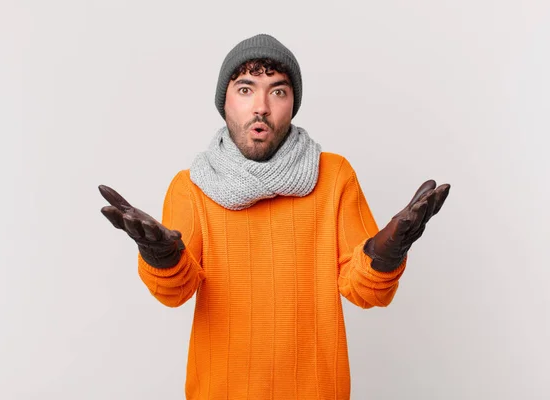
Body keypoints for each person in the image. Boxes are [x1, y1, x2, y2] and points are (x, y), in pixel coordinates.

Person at [99, 33, 450, 400]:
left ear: (293, 103)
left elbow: (364, 292)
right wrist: (163, 259)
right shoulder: (192, 187)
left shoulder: (333, 176)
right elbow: (176, 293)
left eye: (278, 92)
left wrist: (386, 253)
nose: (261, 107)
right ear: (224, 102)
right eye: (246, 89)